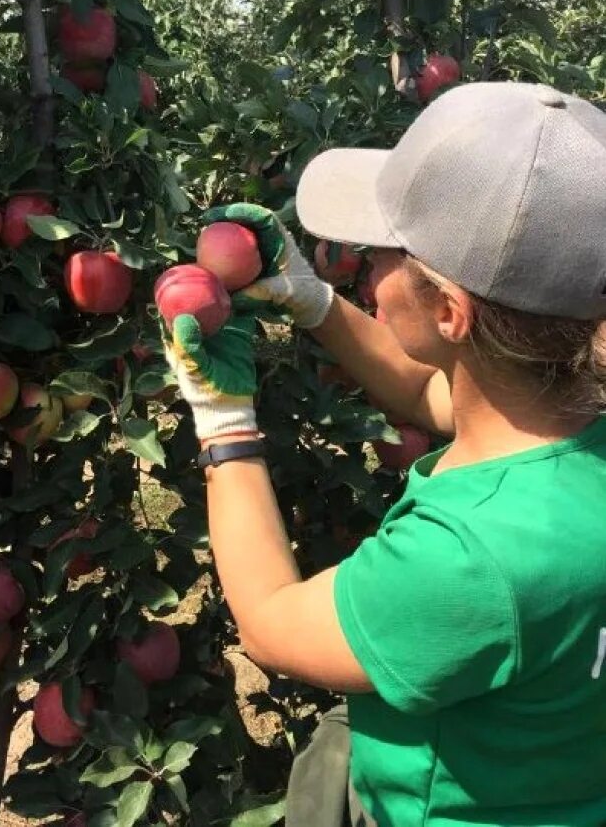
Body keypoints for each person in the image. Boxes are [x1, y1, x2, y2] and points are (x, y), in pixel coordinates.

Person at [163, 81, 606, 827]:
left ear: (448, 312)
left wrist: (223, 422)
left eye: (383, 253)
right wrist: (316, 303)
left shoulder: (469, 560)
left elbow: (272, 626)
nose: (364, 268)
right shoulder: (568, 428)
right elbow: (435, 399)